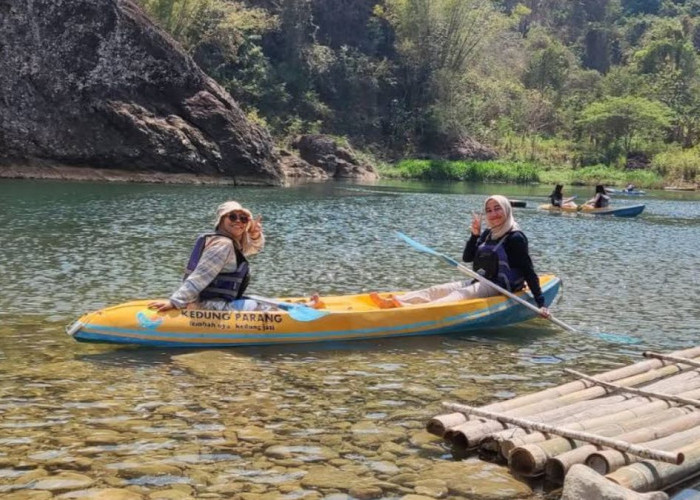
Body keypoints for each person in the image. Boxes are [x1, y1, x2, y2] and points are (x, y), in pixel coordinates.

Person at [369, 195, 550, 318]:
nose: (493, 214)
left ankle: (412, 311)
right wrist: (474, 235)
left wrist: (541, 304)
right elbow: (468, 258)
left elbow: (528, 270)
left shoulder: (516, 237)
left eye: (497, 209)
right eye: (489, 210)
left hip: (501, 287)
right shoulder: (489, 233)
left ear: (506, 210)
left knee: (460, 294)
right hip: (480, 280)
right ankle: (395, 302)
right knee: (436, 289)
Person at [149, 201, 264, 312]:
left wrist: (254, 234)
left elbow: (252, 249)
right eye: (233, 217)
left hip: (213, 303)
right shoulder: (223, 245)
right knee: (266, 307)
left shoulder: (227, 243)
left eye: (243, 219)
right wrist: (176, 302)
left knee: (256, 300)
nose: (238, 221)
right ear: (221, 220)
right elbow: (201, 275)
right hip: (210, 306)